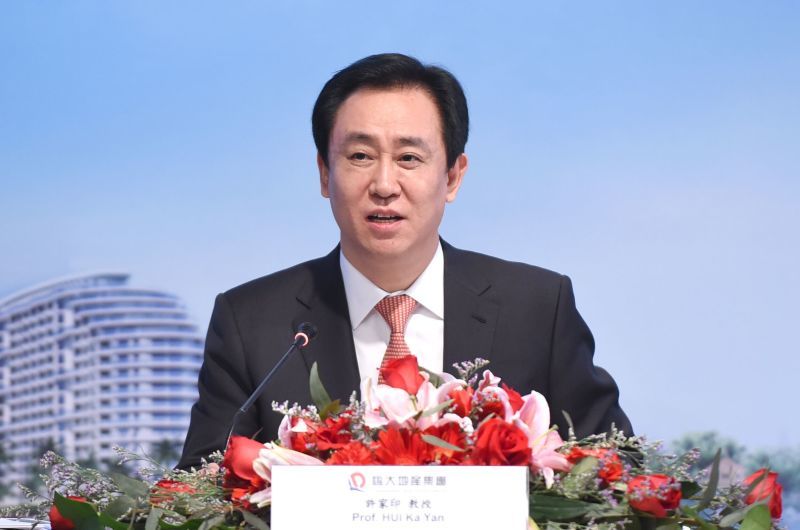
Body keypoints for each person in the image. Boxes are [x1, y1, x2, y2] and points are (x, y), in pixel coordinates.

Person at [178, 53, 631, 469]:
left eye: (409, 158)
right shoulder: (251, 322)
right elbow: (200, 485)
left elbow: (615, 468)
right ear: (324, 173)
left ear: (452, 177)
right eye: (360, 156)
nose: (384, 184)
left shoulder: (537, 308)